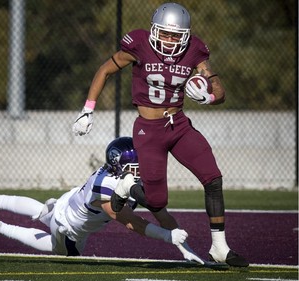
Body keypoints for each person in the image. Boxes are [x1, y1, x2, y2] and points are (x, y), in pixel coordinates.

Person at [72, 3, 248, 267]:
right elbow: (105, 70)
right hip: (148, 130)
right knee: (157, 201)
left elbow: (219, 90)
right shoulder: (139, 44)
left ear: (186, 36)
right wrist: (88, 110)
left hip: (178, 125)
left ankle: (219, 247)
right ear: (154, 30)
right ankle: (127, 185)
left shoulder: (194, 50)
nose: (169, 40)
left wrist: (209, 97)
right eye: (164, 33)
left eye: (175, 36)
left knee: (213, 178)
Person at [0, 137, 204, 263]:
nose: (140, 169)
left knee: (42, 211)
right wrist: (167, 236)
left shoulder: (114, 173)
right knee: (61, 251)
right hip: (69, 228)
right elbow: (131, 222)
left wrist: (183, 246)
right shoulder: (106, 189)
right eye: (134, 166)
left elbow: (159, 212)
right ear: (119, 166)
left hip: (69, 201)